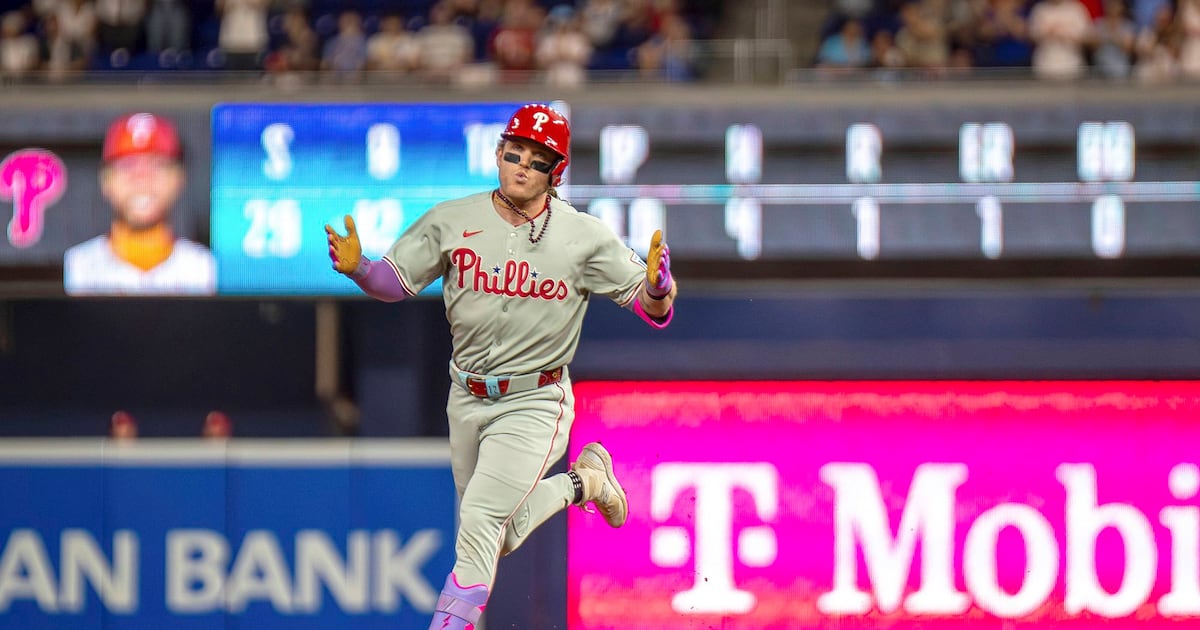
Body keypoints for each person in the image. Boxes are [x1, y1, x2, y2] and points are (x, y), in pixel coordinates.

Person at [324, 103, 677, 630]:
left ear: (555, 172)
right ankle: (584, 483)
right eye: (515, 152)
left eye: (538, 160)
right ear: (498, 152)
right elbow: (396, 283)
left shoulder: (583, 236)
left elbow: (654, 312)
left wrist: (658, 286)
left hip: (535, 399)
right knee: (501, 536)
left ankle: (450, 624)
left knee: (481, 519)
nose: (522, 165)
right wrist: (361, 270)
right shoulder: (453, 219)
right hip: (465, 394)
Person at [64, 112, 216, 295]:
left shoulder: (204, 268)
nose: (142, 179)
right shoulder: (77, 266)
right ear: (106, 181)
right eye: (128, 166)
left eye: (157, 165)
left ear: (178, 179)